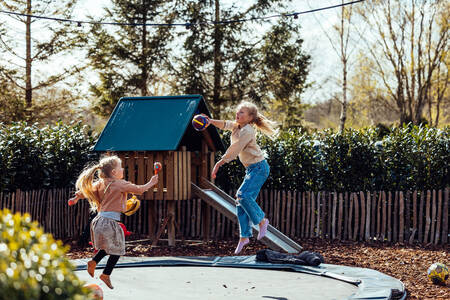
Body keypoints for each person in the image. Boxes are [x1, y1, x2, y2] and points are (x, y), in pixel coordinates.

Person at [68, 155, 158, 289]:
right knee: (118, 249)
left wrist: (75, 198)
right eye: (121, 167)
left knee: (108, 247)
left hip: (98, 221)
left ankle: (93, 262)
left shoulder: (100, 183)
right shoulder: (120, 184)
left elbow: (85, 192)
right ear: (114, 172)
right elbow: (139, 190)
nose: (123, 169)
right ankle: (105, 274)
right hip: (109, 222)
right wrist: (151, 183)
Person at [204, 101, 278, 254]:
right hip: (252, 170)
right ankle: (244, 236)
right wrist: (210, 121)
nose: (238, 114)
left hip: (259, 168)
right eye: (238, 112)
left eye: (242, 112)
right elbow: (225, 124)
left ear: (250, 117)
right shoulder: (238, 126)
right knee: (240, 202)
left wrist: (219, 163)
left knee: (242, 195)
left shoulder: (248, 131)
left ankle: (262, 220)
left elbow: (236, 148)